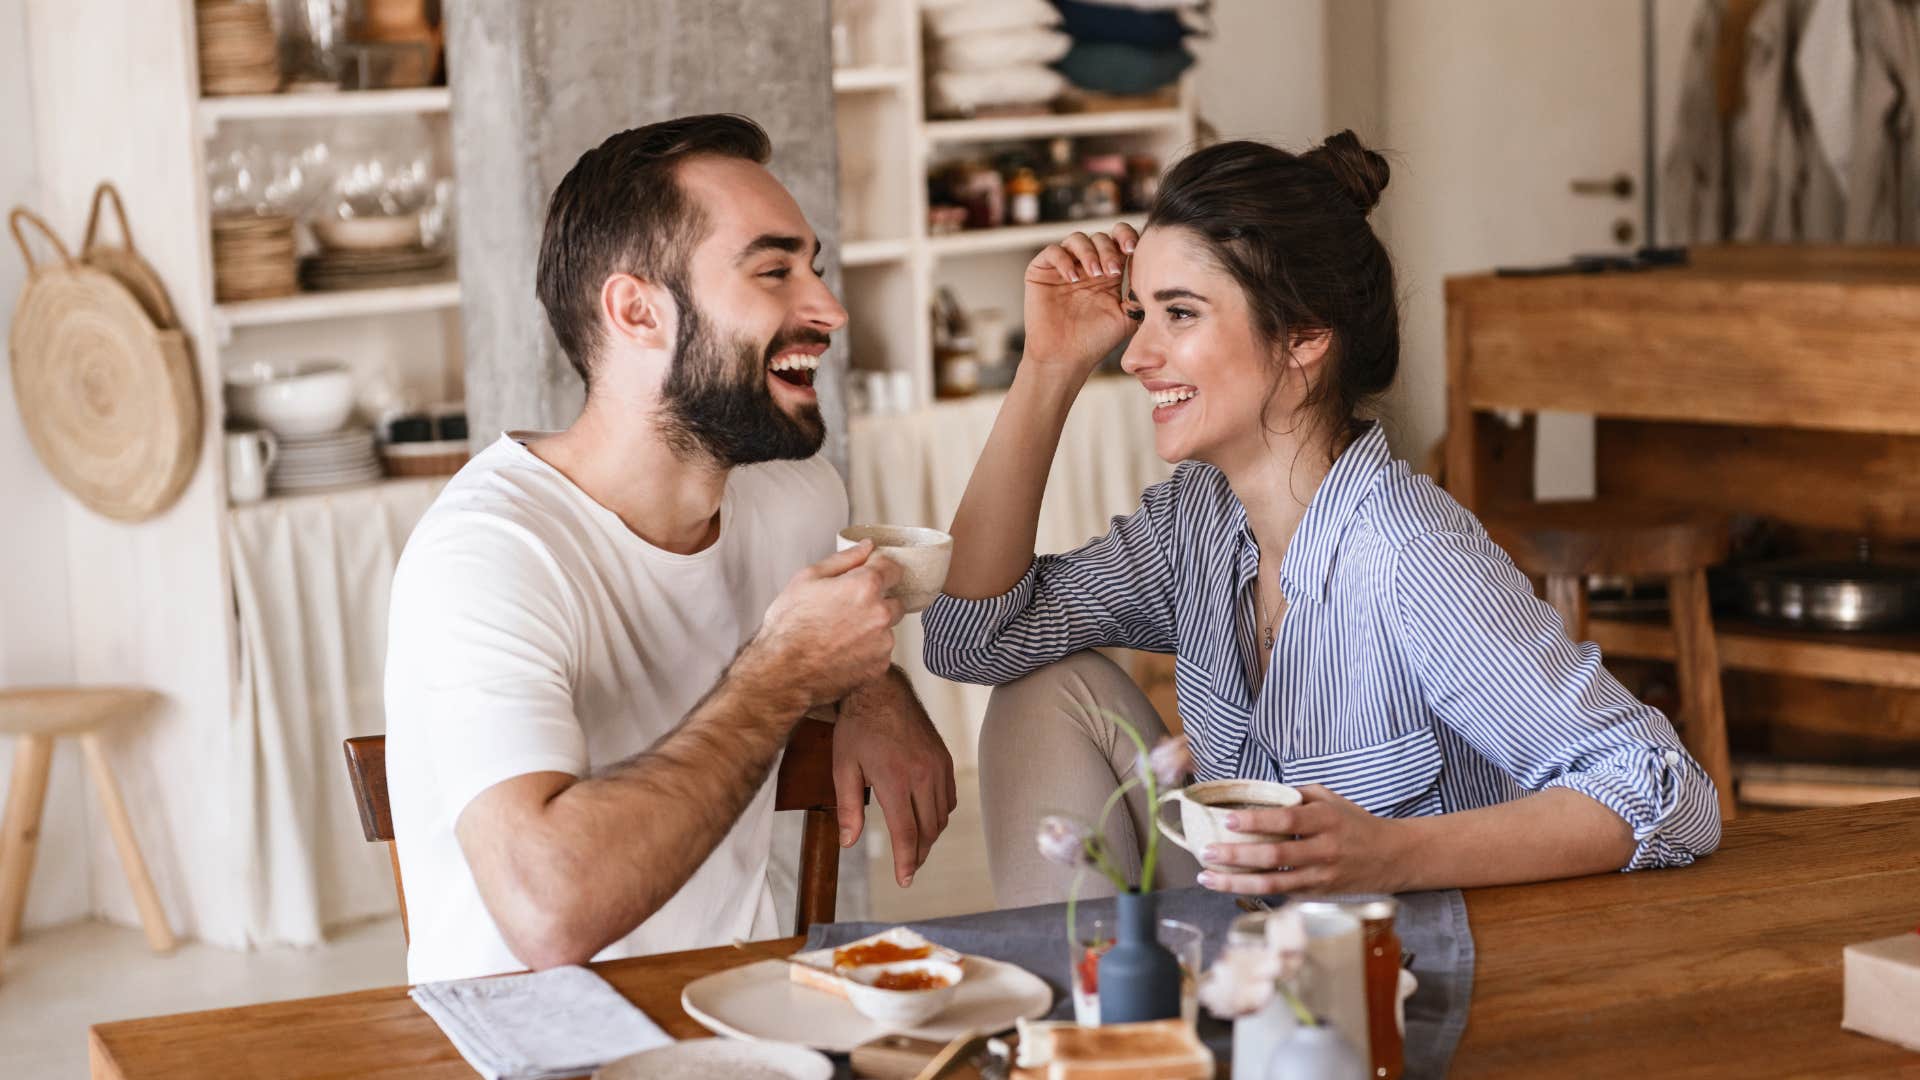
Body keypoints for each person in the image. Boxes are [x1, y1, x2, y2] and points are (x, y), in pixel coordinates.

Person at [922, 132, 1721, 908]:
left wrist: (1391, 855)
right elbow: (970, 640)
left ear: (1302, 338)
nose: (1135, 354)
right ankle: (1097, 1040)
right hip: (1261, 955)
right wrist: (1048, 365)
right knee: (1043, 689)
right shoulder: (1195, 525)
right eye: (1140, 312)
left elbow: (1667, 792)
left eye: (1181, 314)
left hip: (1417, 975)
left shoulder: (1411, 558)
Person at [385, 114, 955, 984]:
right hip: (532, 1048)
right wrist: (786, 674)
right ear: (637, 311)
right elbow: (548, 910)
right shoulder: (489, 553)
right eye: (774, 272)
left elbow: (827, 648)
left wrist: (875, 691)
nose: (829, 310)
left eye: (815, 269)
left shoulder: (799, 498)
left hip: (737, 1017)